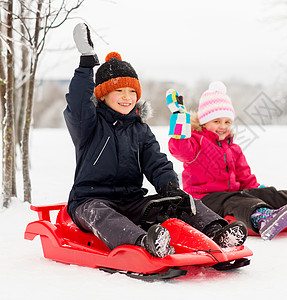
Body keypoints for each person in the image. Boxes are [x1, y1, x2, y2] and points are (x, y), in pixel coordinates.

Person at [64, 23, 247, 258]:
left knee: (179, 200)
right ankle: (144, 242)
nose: (126, 98)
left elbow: (156, 163)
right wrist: (86, 62)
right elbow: (78, 104)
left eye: (131, 92)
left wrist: (170, 186)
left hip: (131, 200)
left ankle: (218, 231)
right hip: (89, 201)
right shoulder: (88, 126)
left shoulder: (140, 129)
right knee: (101, 213)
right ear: (103, 94)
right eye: (119, 91)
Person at [166, 81, 287, 240]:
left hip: (234, 193)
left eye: (227, 122)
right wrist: (179, 117)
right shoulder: (196, 142)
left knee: (271, 193)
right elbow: (178, 147)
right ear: (204, 122)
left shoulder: (233, 148)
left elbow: (245, 177)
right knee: (235, 201)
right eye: (216, 121)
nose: (222, 127)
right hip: (206, 199)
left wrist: (260, 191)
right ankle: (262, 218)